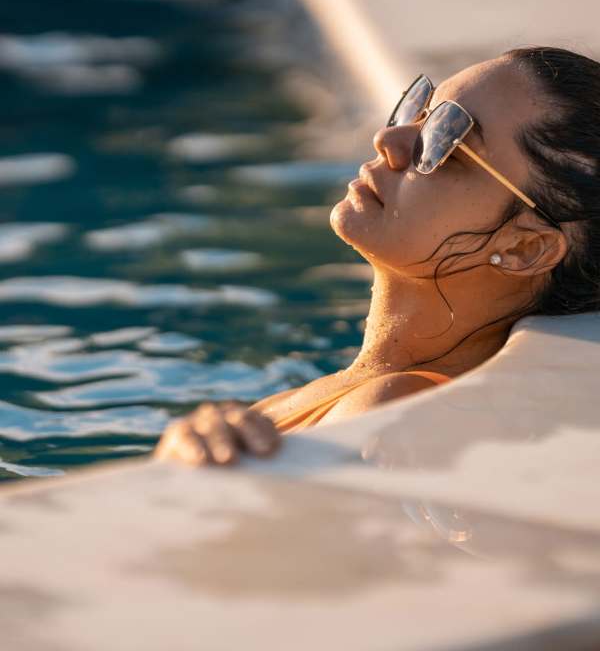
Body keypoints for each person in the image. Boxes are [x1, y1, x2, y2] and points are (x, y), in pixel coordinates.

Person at [155, 45, 600, 467]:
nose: (388, 138)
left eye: (445, 140)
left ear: (525, 247)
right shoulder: (356, 387)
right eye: (419, 111)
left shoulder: (391, 404)